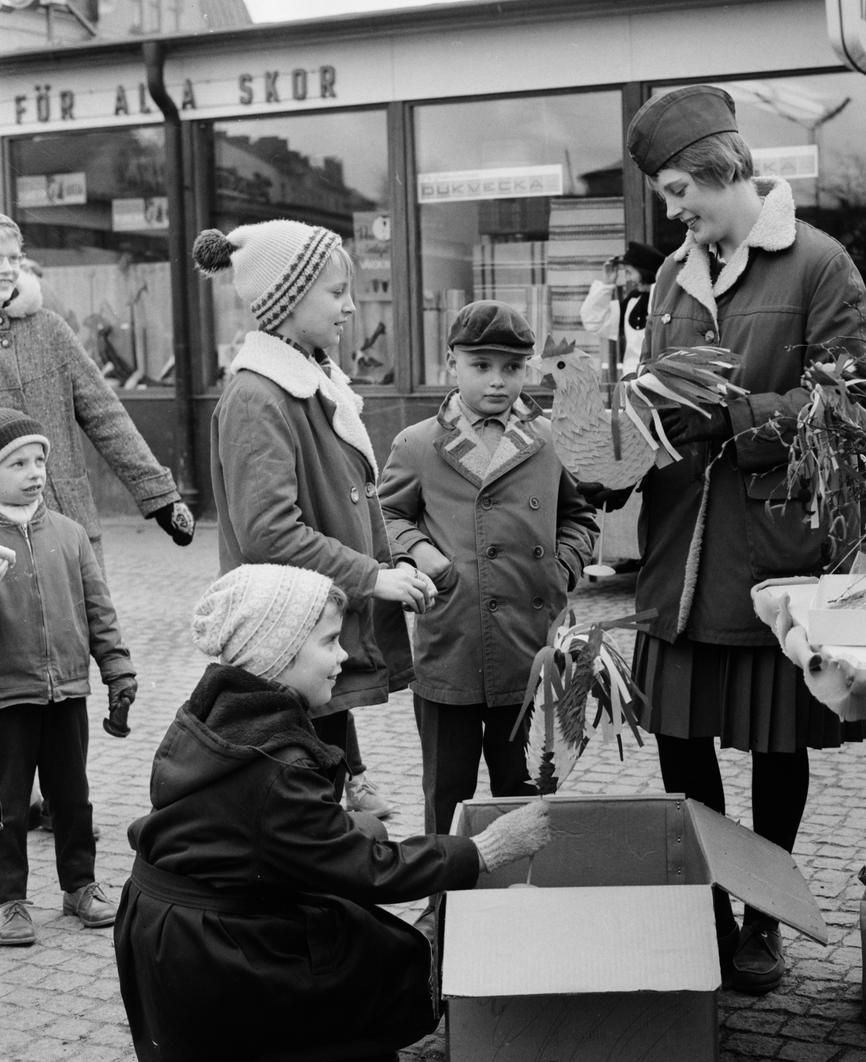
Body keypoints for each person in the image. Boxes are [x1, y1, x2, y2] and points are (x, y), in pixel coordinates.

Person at [622, 85, 866, 993]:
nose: (673, 207)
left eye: (679, 186)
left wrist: (733, 419)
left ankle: (762, 918)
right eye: (663, 193)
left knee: (778, 748)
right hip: (678, 555)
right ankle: (710, 907)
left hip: (770, 552)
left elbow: (846, 410)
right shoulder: (667, 277)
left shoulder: (819, 265)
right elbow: (652, 392)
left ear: (727, 169)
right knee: (681, 748)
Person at [113, 563, 550, 1062]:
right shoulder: (275, 769)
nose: (343, 656)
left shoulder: (216, 711)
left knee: (364, 842)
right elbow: (370, 870)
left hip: (160, 928)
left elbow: (292, 834)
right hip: (218, 956)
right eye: (329, 641)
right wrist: (483, 851)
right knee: (394, 962)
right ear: (278, 651)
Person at [193, 219, 434, 794]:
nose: (350, 307)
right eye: (335, 292)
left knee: (322, 746)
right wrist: (373, 577)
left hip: (311, 624)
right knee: (301, 785)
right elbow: (270, 535)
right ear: (286, 298)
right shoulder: (259, 397)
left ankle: (349, 780)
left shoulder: (313, 380)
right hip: (287, 630)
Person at [379, 300, 598, 834]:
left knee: (522, 794)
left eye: (512, 368)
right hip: (450, 645)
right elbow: (383, 515)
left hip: (530, 649)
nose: (497, 382)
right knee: (446, 793)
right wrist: (421, 555)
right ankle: (443, 906)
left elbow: (582, 518)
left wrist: (562, 568)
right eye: (481, 366)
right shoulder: (418, 444)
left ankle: (518, 905)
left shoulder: (553, 439)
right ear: (451, 363)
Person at [0, 408, 136, 947]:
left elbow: (99, 610)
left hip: (67, 693)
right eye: (16, 463)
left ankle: (79, 885)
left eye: (39, 460)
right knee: (7, 804)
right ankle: (9, 899)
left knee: (73, 798)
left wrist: (117, 670)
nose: (33, 471)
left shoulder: (70, 533)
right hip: (7, 697)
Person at [0, 214, 193, 574]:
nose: (8, 269)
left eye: (13, 258)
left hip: (69, 523)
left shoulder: (50, 329)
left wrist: (161, 496)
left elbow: (106, 414)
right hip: (3, 540)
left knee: (93, 627)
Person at [580, 240, 664, 376]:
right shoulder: (633, 300)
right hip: (631, 383)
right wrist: (607, 284)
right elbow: (594, 323)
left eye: (629, 272)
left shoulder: (666, 300)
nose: (628, 278)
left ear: (645, 271)